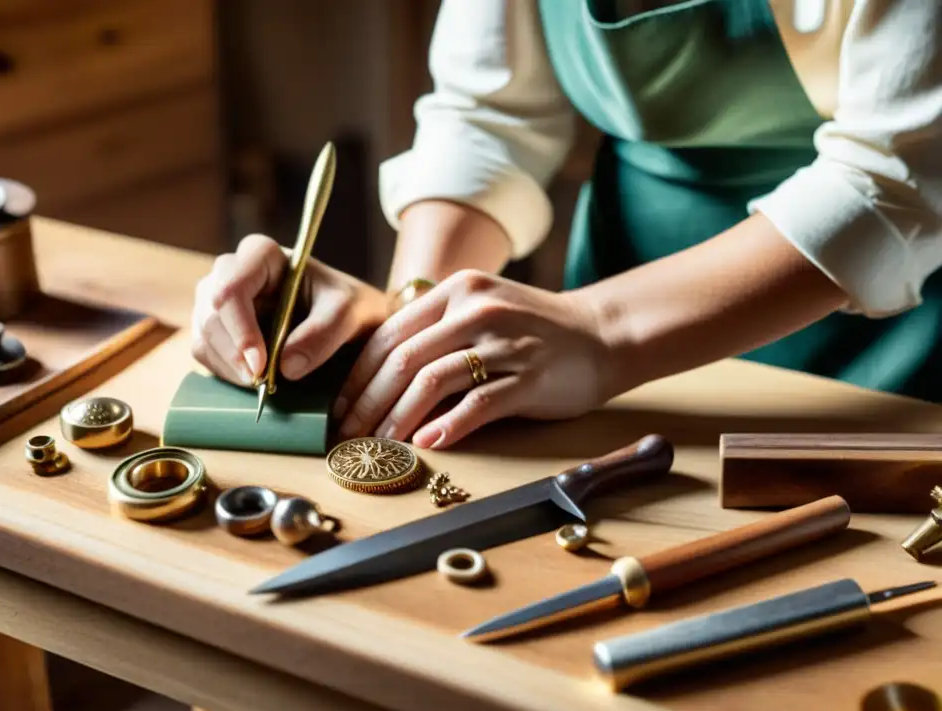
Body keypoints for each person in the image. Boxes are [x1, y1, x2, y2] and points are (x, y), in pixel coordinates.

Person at [192, 0, 942, 451]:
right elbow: (490, 115)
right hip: (614, 314)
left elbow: (896, 176)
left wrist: (603, 333)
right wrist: (408, 318)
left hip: (890, 341)